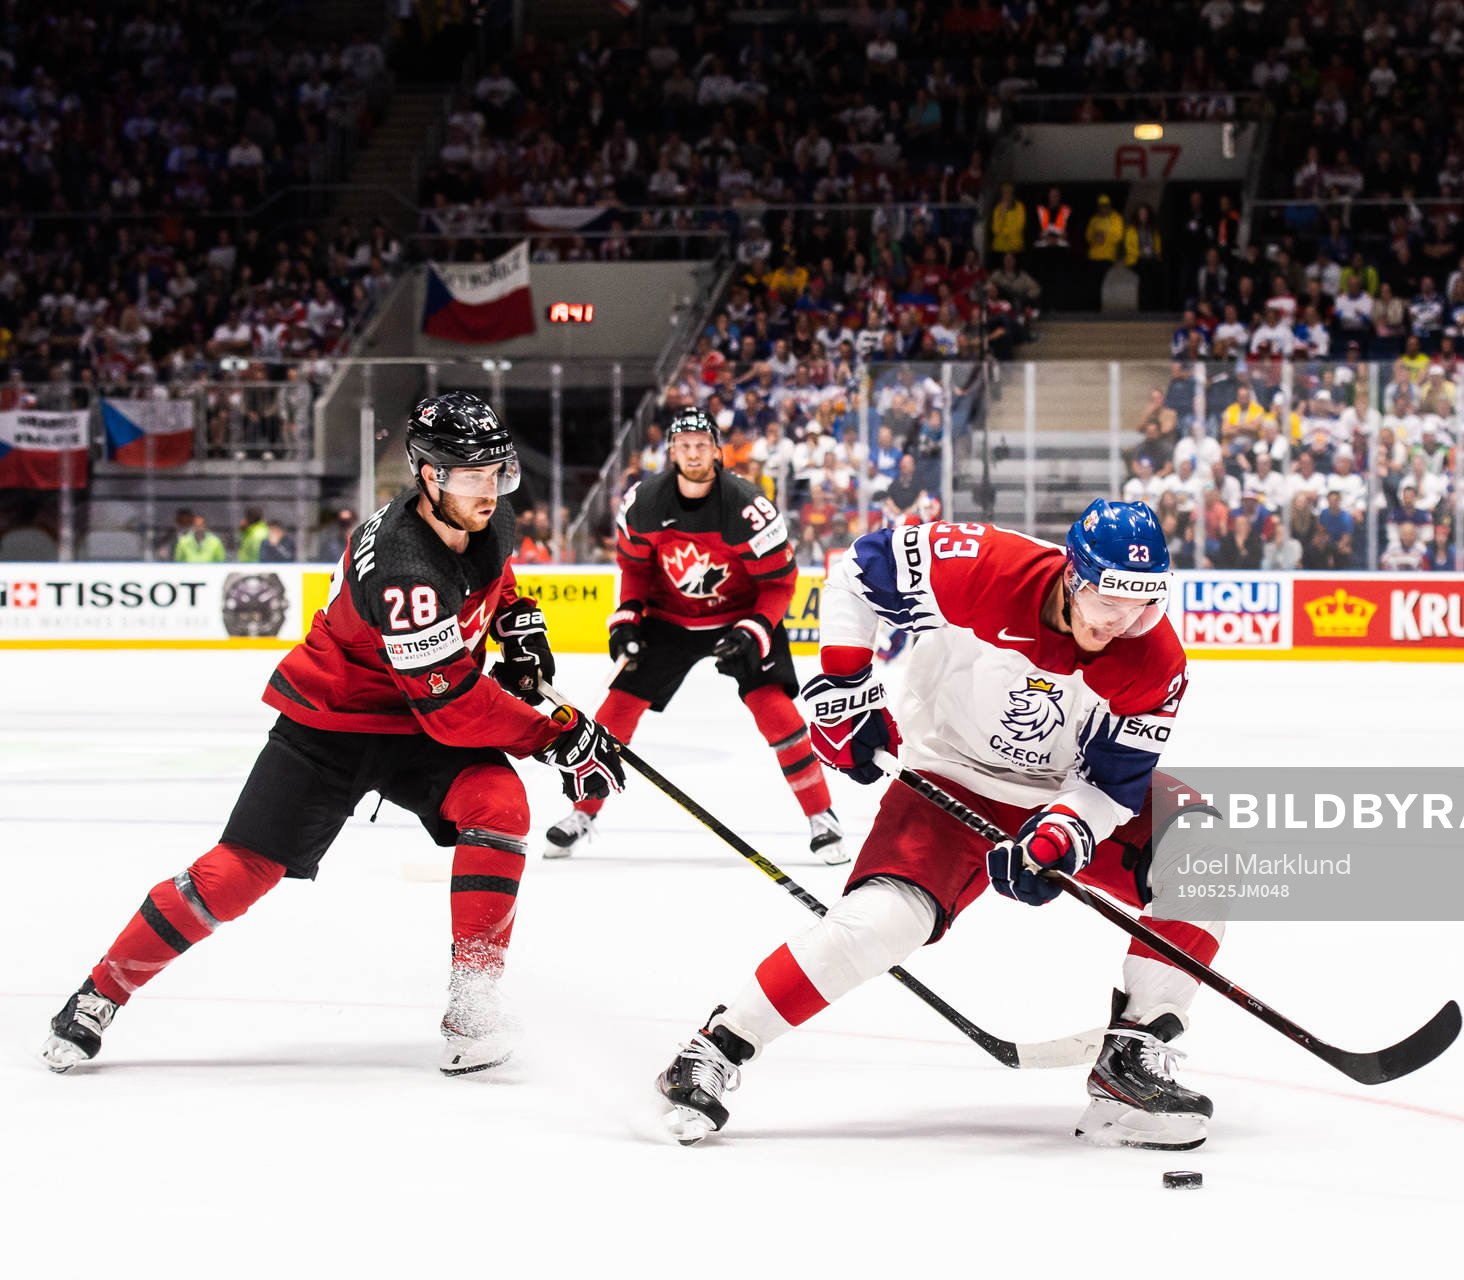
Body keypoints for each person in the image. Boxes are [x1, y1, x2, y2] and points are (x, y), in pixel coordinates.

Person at [42, 393, 629, 1076]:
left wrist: (519, 624)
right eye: (470, 475)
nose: (490, 489)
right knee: (234, 876)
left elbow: (494, 583)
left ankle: (472, 1002)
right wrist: (558, 737)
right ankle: (98, 993)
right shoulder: (405, 569)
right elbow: (456, 710)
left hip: (419, 723)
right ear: (427, 476)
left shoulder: (480, 520)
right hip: (334, 724)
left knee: (499, 807)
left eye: (497, 471)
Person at [655, 500, 1224, 1150]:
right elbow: (861, 571)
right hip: (948, 776)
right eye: (1109, 602)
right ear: (1074, 576)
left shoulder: (1155, 661)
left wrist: (1064, 833)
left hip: (1057, 794)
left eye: (1146, 605)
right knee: (883, 923)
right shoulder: (987, 566)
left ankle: (1132, 1057)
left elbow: (1113, 783)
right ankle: (716, 1046)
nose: (1124, 622)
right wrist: (846, 685)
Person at [540, 408, 841, 862]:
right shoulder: (644, 502)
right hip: (671, 619)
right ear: (672, 451)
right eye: (685, 445)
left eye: (702, 444)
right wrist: (627, 621)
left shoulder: (746, 506)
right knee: (614, 711)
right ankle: (582, 813)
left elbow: (779, 583)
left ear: (717, 451)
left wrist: (754, 631)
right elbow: (635, 569)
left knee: (775, 711)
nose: (694, 452)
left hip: (741, 616)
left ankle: (823, 816)